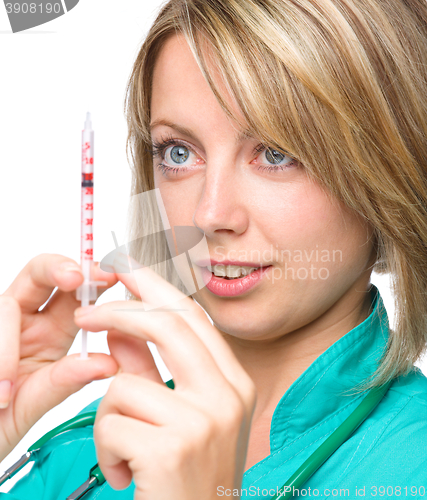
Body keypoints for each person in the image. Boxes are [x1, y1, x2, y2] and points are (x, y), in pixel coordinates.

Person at [1, 0, 427, 498]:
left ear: (390, 170)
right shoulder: (94, 440)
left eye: (276, 153)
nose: (210, 214)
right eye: (178, 153)